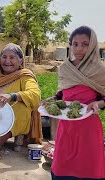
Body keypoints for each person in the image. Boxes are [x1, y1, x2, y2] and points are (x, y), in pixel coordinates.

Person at [45, 26, 105, 179]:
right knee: (63, 166)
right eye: (75, 44)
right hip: (67, 126)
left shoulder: (99, 70)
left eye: (85, 44)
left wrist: (98, 104)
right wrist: (54, 99)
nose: (79, 49)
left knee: (88, 167)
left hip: (88, 127)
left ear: (92, 46)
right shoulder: (65, 68)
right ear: (70, 45)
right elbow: (63, 92)